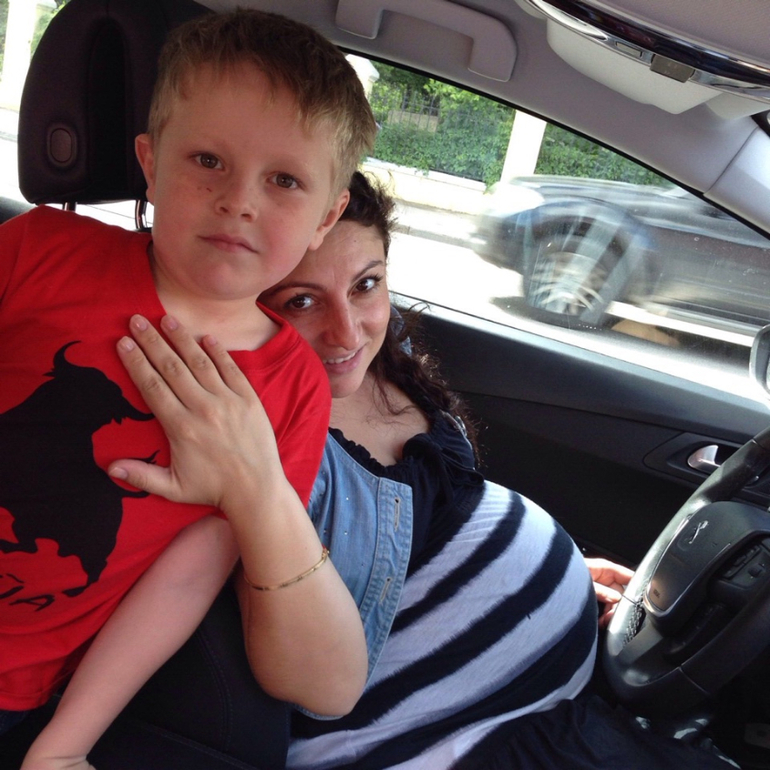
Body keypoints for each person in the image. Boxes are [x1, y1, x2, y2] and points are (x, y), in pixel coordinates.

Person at [112, 173, 738, 769]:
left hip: (542, 699)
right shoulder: (248, 430)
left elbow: (436, 515)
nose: (347, 332)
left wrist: (561, 567)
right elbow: (312, 681)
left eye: (366, 284)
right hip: (463, 742)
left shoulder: (384, 354)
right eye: (300, 301)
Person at [0, 10, 376, 770]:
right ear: (150, 161)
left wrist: (64, 746)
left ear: (326, 216)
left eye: (285, 180)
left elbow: (187, 578)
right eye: (208, 160)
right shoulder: (39, 250)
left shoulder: (293, 389)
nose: (240, 200)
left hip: (19, 688)